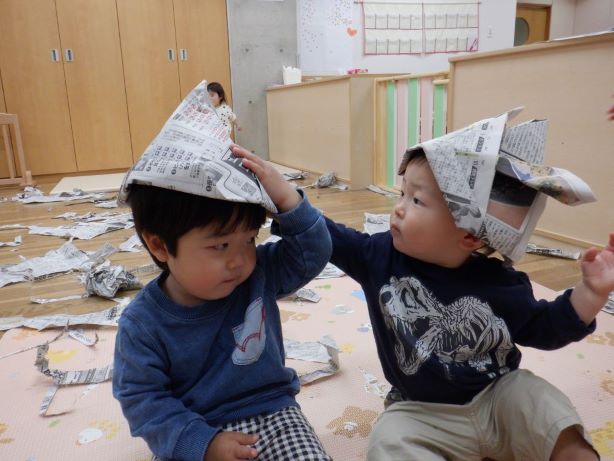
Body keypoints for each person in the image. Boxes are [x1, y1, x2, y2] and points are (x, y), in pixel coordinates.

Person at [324, 148, 613, 461]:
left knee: (538, 399)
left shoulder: (501, 283)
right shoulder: (377, 257)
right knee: (388, 439)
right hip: (419, 412)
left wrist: (590, 292)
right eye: (402, 193)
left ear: (470, 237)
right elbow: (327, 236)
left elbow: (546, 328)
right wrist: (288, 201)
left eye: (417, 200)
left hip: (497, 400)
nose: (399, 208)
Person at [113, 145, 332, 461]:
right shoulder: (141, 325)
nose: (239, 260)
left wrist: (287, 199)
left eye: (249, 239)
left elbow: (312, 253)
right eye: (220, 245)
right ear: (159, 245)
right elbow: (143, 402)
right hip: (192, 427)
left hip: (273, 413)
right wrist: (202, 444)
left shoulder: (258, 274)